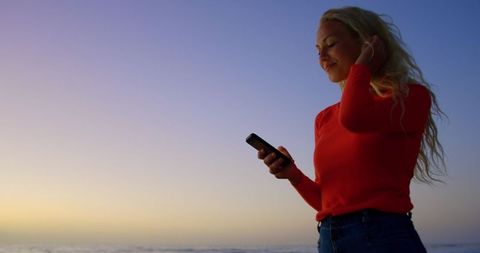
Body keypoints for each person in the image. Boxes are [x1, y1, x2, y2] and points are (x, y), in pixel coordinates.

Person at [256, 6, 446, 253]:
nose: (322, 57)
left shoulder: (410, 98)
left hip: (383, 237)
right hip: (329, 239)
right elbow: (328, 202)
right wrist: (293, 174)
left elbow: (354, 118)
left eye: (331, 44)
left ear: (368, 43)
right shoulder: (324, 118)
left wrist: (363, 66)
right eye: (317, 50)